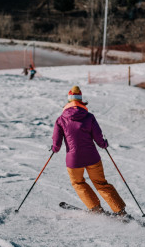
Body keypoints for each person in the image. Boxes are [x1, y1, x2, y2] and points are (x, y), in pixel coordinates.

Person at [51, 85, 126, 214]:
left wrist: (54, 148)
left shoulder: (61, 119)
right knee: (101, 183)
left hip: (74, 160)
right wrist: (103, 144)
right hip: (92, 157)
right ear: (81, 100)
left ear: (69, 101)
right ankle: (120, 211)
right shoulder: (89, 117)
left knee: (78, 182)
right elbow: (98, 137)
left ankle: (96, 208)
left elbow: (57, 143)